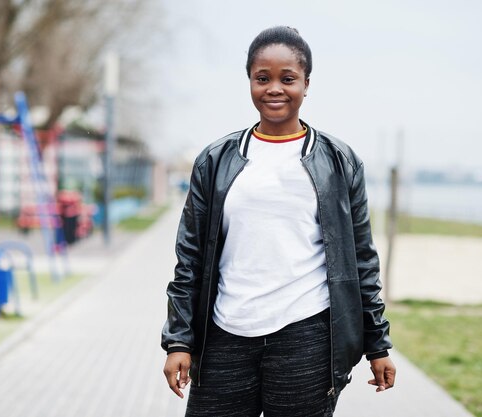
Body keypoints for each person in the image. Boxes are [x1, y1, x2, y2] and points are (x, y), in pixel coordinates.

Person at [162, 26, 395, 417]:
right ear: (250, 81)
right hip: (224, 333)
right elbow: (190, 258)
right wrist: (179, 342)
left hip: (306, 336)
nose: (274, 89)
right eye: (262, 78)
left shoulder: (339, 162)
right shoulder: (215, 160)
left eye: (288, 79)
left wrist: (378, 344)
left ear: (306, 83)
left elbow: (361, 259)